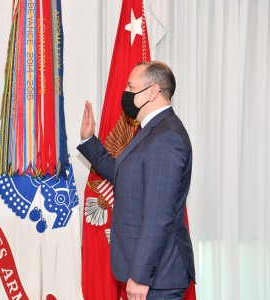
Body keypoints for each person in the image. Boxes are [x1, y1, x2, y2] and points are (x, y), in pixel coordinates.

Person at [78, 61, 195, 299]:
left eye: (131, 87)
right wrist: (89, 141)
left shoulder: (166, 137)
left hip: (157, 278)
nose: (126, 93)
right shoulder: (151, 130)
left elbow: (158, 215)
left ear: (152, 91)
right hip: (147, 273)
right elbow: (125, 177)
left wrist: (142, 276)